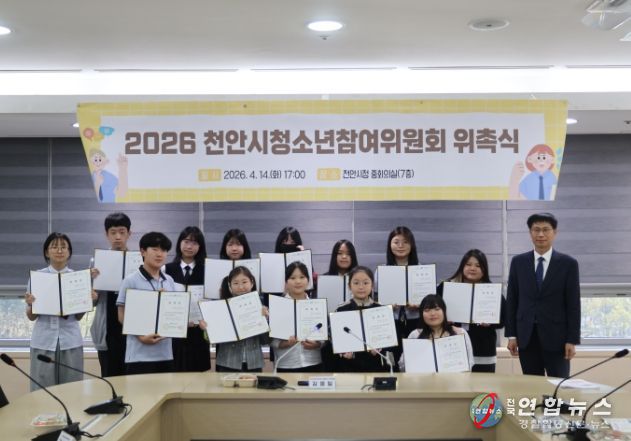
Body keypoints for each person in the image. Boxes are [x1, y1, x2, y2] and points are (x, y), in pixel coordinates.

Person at [505, 212, 580, 378]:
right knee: (532, 386)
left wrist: (572, 339)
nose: (540, 234)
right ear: (530, 233)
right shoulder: (518, 262)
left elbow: (573, 304)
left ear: (555, 232)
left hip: (557, 338)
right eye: (536, 230)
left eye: (546, 229)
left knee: (559, 385)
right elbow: (512, 300)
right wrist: (512, 335)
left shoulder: (568, 264)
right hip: (526, 337)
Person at [25, 233, 90, 390]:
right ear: (47, 252)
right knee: (42, 391)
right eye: (54, 247)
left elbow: (78, 317)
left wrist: (87, 301)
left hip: (70, 341)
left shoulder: (77, 278)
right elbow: (31, 316)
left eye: (63, 247)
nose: (59, 251)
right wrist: (31, 305)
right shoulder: (38, 277)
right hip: (44, 341)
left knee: (71, 389)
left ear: (69, 252)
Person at [117, 232, 177, 375]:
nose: (159, 254)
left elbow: (174, 313)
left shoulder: (169, 280)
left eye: (163, 250)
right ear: (143, 251)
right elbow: (121, 316)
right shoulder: (130, 280)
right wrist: (141, 336)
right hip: (138, 355)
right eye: (155, 249)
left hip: (165, 354)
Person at [437, 249, 505, 372]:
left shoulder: (492, 291)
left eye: (478, 266)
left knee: (483, 384)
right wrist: (443, 319)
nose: (472, 268)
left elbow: (504, 319)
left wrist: (491, 322)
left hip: (483, 351)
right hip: (451, 348)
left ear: (484, 269)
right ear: (462, 266)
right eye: (468, 264)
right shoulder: (446, 287)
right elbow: (432, 310)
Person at [200, 266, 267, 372]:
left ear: (252, 283)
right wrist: (206, 329)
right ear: (230, 286)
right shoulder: (221, 307)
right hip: (228, 361)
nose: (241, 287)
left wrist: (265, 321)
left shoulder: (260, 307)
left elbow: (266, 340)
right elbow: (211, 339)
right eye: (235, 283)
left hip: (254, 362)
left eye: (244, 282)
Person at [164, 226, 210, 372]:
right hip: (174, 333)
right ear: (179, 243)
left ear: (200, 247)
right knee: (174, 374)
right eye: (186, 241)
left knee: (198, 377)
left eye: (194, 243)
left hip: (198, 333)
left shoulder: (208, 271)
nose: (189, 246)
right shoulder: (166, 270)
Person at [90, 212, 130, 377]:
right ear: (107, 234)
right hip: (106, 328)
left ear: (129, 233)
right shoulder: (97, 262)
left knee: (132, 379)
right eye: (113, 232)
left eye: (122, 232)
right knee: (109, 378)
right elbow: (90, 301)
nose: (118, 237)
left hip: (130, 328)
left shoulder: (138, 261)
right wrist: (92, 284)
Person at [335, 266, 396, 373]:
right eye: (356, 283)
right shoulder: (341, 310)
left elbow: (389, 340)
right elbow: (336, 338)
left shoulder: (381, 309)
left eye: (366, 283)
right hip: (349, 366)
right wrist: (343, 352)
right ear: (349, 286)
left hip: (376, 365)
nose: (361, 287)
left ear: (372, 285)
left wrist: (381, 348)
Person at [399, 294, 474, 372]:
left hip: (454, 378)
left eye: (437, 309)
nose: (432, 313)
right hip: (423, 378)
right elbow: (402, 366)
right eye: (427, 310)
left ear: (444, 311)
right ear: (421, 314)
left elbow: (469, 362)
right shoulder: (415, 335)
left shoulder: (460, 333)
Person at [270, 262, 323, 372]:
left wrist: (317, 344)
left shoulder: (317, 306)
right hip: (286, 364)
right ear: (286, 282)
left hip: (313, 362)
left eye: (302, 277)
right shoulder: (277, 306)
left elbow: (324, 335)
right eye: (292, 278)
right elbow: (271, 340)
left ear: (308, 280)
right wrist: (285, 343)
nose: (298, 281)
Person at [383, 226, 420, 358]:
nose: (400, 246)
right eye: (396, 242)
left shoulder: (422, 270)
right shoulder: (382, 271)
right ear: (390, 245)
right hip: (390, 322)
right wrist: (387, 306)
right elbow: (374, 301)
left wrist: (420, 305)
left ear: (412, 245)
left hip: (416, 320)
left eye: (405, 242)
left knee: (416, 357)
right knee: (392, 358)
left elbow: (430, 301)